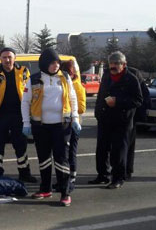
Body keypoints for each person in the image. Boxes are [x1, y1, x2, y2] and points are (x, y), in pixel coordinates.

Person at [22, 49, 79, 207]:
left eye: (57, 63)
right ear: (45, 63)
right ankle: (45, 188)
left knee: (61, 159)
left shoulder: (65, 77)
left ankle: (65, 192)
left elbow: (72, 98)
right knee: (44, 158)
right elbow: (25, 102)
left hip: (62, 125)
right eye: (52, 63)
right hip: (41, 126)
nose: (56, 66)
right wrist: (26, 123)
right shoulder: (33, 80)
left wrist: (75, 118)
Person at [0, 47, 36, 183]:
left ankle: (25, 173)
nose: (7, 60)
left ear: (14, 58)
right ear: (0, 59)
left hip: (19, 117)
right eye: (4, 57)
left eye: (10, 57)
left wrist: (32, 114)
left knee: (21, 145)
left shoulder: (23, 72)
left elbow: (30, 94)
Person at [90, 51, 142, 189]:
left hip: (122, 121)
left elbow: (138, 100)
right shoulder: (106, 76)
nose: (113, 66)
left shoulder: (131, 79)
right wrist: (97, 112)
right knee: (101, 149)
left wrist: (118, 102)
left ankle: (118, 178)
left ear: (123, 65)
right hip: (105, 118)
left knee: (118, 151)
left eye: (116, 64)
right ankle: (102, 175)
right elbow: (101, 95)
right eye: (111, 63)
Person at [59, 60, 86, 192]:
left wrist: (69, 110)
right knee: (61, 154)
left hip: (73, 124)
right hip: (62, 124)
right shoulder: (60, 83)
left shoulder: (77, 86)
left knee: (71, 152)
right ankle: (62, 181)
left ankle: (72, 181)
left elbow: (81, 108)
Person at [126, 67, 150, 180]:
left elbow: (143, 95)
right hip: (130, 114)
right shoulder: (135, 74)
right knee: (126, 144)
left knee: (127, 143)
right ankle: (126, 169)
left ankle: (127, 169)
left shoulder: (132, 74)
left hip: (131, 114)